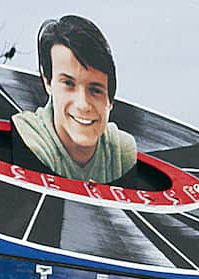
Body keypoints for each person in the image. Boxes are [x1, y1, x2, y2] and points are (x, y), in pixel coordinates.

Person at [10, 14, 138, 184]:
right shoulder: (29, 139)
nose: (83, 104)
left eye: (95, 90)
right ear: (47, 81)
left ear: (110, 100)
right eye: (68, 84)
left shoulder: (121, 152)